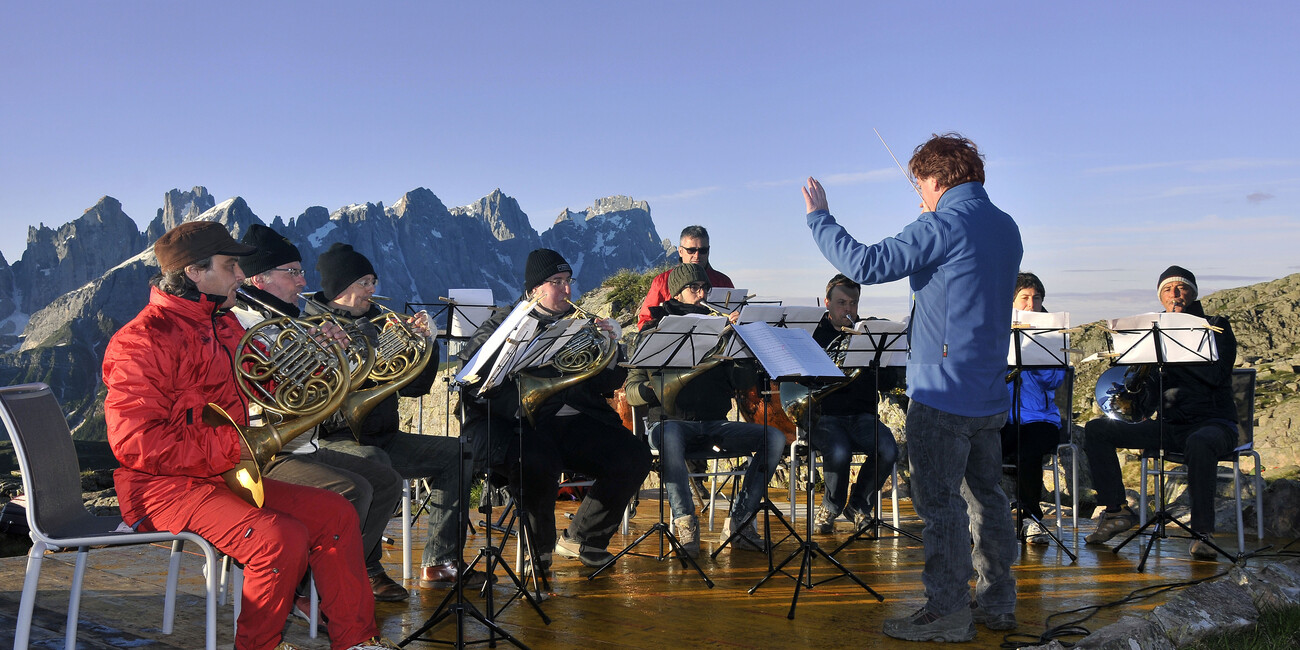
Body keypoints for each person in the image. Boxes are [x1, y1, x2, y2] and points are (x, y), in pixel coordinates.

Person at [103, 220, 396, 650]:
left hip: (223, 474)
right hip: (162, 488)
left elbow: (275, 388)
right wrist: (237, 445)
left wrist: (323, 359)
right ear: (195, 273)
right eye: (230, 266)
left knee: (335, 513)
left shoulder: (224, 326)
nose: (241, 275)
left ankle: (356, 640)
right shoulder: (142, 339)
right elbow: (134, 443)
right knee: (279, 538)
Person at [803, 132, 1022, 642]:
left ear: (939, 178)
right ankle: (998, 602)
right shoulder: (1006, 226)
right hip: (989, 391)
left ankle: (946, 611)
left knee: (940, 505)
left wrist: (820, 218)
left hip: (942, 392)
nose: (917, 193)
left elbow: (863, 265)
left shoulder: (942, 225)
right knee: (988, 499)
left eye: (918, 183)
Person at [231, 224, 409, 603]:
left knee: (387, 481)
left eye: (300, 271)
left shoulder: (291, 321)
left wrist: (335, 357)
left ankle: (341, 576)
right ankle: (323, 590)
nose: (303, 281)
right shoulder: (242, 325)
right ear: (260, 279)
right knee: (353, 489)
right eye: (292, 272)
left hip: (302, 445)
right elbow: (265, 396)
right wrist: (315, 356)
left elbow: (325, 395)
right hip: (263, 452)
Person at [459, 248, 651, 570]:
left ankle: (583, 538)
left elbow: (606, 383)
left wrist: (613, 348)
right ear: (535, 289)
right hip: (524, 423)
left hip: (577, 422)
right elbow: (473, 375)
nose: (567, 290)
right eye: (556, 282)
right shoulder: (504, 324)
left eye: (568, 281)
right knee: (537, 461)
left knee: (634, 456)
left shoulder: (580, 325)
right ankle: (540, 553)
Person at [304, 243, 479, 589]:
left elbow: (413, 389)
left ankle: (441, 561)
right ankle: (367, 568)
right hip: (333, 440)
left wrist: (425, 347)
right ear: (341, 287)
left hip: (383, 435)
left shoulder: (379, 323)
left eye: (373, 281)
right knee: (375, 461)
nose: (373, 289)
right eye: (364, 282)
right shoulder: (312, 327)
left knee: (458, 452)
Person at [624, 263, 786, 557]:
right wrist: (650, 392)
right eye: (694, 289)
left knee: (773, 438)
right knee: (670, 434)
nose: (701, 295)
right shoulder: (653, 331)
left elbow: (743, 384)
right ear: (676, 293)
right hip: (669, 423)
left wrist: (742, 348)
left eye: (705, 289)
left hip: (714, 424)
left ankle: (740, 520)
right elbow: (632, 387)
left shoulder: (721, 329)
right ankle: (685, 521)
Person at [1082, 265, 1237, 560]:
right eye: (1167, 289)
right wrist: (1141, 385)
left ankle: (1203, 533)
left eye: (1181, 288)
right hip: (1170, 427)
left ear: (1193, 293)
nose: (1174, 293)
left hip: (1215, 425)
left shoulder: (1216, 326)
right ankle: (1116, 512)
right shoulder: (1154, 336)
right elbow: (1146, 405)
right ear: (1161, 297)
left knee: (1200, 442)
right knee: (1097, 430)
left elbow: (1218, 375)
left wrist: (1172, 353)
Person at [807, 274, 900, 535]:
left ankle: (859, 506)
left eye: (853, 303)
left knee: (888, 450)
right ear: (827, 302)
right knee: (838, 451)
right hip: (825, 414)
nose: (848, 310)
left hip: (862, 415)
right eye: (841, 303)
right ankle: (831, 505)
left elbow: (888, 383)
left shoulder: (870, 335)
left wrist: (876, 363)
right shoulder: (813, 334)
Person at [1002, 272, 1067, 545]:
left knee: (1028, 450)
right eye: (1025, 298)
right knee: (978, 445)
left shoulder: (1051, 335)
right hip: (1002, 416)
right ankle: (982, 518)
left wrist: (1034, 356)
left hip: (1041, 420)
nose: (1031, 304)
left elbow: (1055, 380)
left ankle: (1031, 518)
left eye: (1036, 298)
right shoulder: (997, 330)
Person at [636, 225, 736, 330]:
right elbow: (645, 319)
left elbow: (737, 314)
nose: (697, 255)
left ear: (709, 251)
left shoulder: (723, 281)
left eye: (703, 250)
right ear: (680, 251)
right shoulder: (662, 281)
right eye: (691, 250)